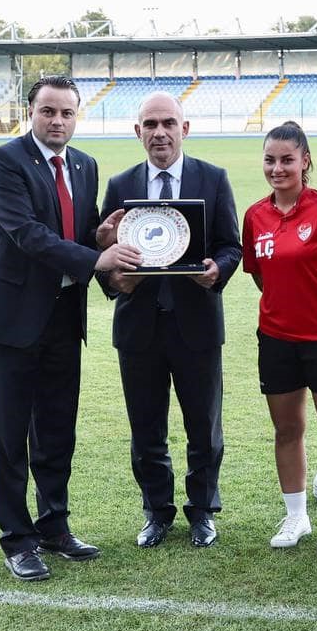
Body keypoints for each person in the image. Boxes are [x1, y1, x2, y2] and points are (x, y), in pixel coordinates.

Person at [0, 76, 141, 581]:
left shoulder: (85, 165)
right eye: (48, 111)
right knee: (10, 433)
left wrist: (103, 235)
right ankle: (17, 539)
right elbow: (29, 235)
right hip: (13, 319)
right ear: (31, 111)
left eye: (67, 113)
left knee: (56, 428)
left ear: (77, 116)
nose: (58, 121)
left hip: (65, 317)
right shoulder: (4, 162)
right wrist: (98, 255)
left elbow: (79, 230)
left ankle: (54, 526)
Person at [98, 92, 242, 550]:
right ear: (137, 131)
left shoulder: (213, 178)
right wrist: (112, 279)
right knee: (146, 429)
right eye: (150, 124)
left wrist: (218, 270)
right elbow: (104, 251)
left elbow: (230, 244)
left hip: (196, 324)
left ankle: (202, 511)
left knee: (204, 427)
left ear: (185, 128)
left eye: (168, 123)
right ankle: (156, 512)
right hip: (138, 326)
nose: (159, 132)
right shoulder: (120, 184)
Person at [242, 121, 317, 554]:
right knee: (286, 430)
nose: (277, 168)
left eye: (287, 159)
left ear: (305, 161)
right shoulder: (255, 215)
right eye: (270, 160)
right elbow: (259, 275)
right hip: (276, 339)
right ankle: (296, 516)